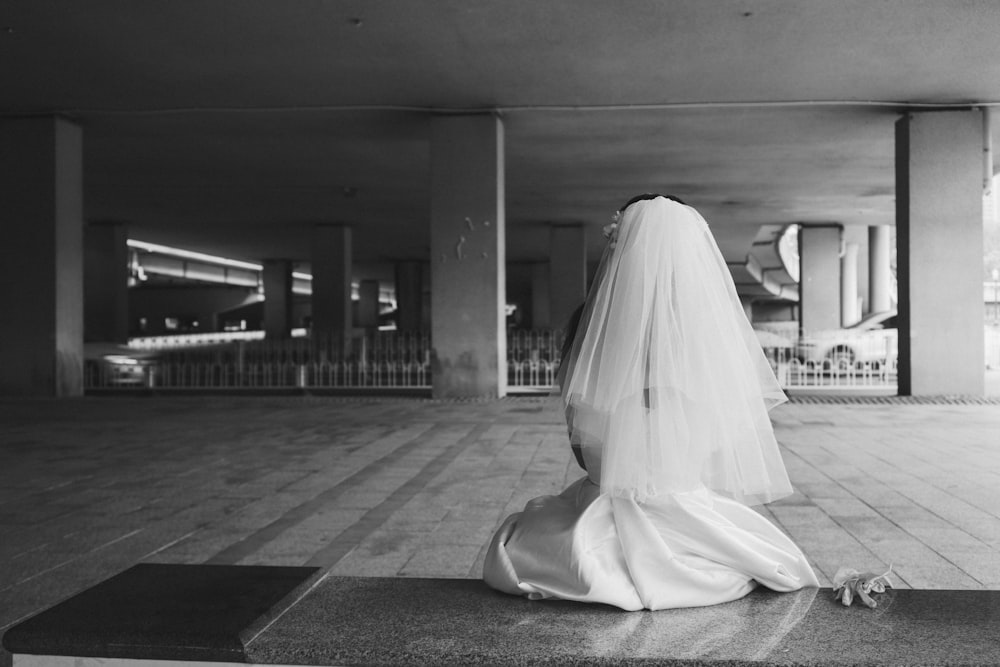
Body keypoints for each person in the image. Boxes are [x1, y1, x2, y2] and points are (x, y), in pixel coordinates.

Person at [483, 194, 819, 610]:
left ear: (616, 249)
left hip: (598, 513)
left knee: (529, 542)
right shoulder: (709, 334)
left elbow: (584, 455)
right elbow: (716, 444)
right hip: (687, 509)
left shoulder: (592, 327)